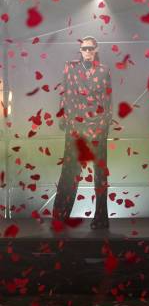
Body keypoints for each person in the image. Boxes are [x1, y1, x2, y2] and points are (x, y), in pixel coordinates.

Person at [54, 36, 112, 230]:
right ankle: (60, 217)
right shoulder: (70, 68)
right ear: (80, 50)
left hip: (97, 127)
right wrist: (64, 117)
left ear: (95, 49)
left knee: (100, 174)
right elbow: (64, 92)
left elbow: (107, 98)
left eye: (90, 48)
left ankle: (101, 218)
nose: (87, 51)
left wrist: (104, 125)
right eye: (84, 48)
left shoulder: (103, 71)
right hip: (76, 127)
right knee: (69, 172)